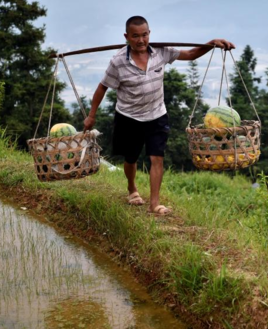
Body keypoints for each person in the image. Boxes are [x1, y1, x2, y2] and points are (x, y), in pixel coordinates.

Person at [83, 16, 235, 215]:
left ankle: (154, 204)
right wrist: (91, 115)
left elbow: (189, 54)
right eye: (135, 36)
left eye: (144, 35)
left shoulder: (161, 52)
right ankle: (132, 188)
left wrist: (211, 44)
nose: (141, 40)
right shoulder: (118, 62)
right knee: (131, 158)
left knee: (157, 158)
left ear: (149, 33)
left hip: (156, 115)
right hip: (129, 117)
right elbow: (102, 87)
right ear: (126, 36)